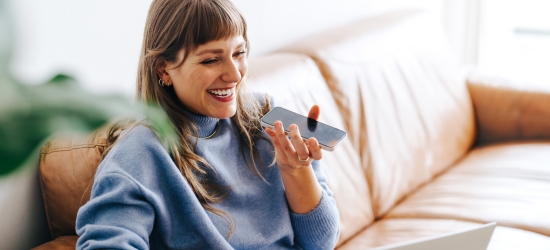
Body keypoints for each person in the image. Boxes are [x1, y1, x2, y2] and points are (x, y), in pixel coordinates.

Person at [75, 0, 340, 249]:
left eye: (239, 53)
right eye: (211, 60)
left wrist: (296, 172)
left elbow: (321, 243)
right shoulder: (140, 154)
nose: (234, 74)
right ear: (163, 69)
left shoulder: (267, 115)